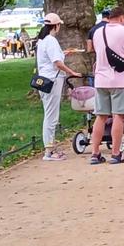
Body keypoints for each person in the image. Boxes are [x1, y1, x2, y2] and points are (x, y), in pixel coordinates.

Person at [89, 7, 124, 164]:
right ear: (122, 18)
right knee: (118, 116)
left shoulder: (98, 32)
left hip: (100, 79)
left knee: (100, 116)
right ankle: (115, 153)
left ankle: (95, 153)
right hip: (121, 80)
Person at [36, 13, 82, 161]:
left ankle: (50, 148)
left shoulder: (42, 41)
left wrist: (63, 54)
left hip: (44, 80)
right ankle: (49, 151)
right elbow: (57, 63)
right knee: (51, 116)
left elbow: (52, 59)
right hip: (52, 81)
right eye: (59, 25)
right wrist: (72, 72)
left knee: (49, 115)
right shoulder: (51, 41)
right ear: (56, 26)